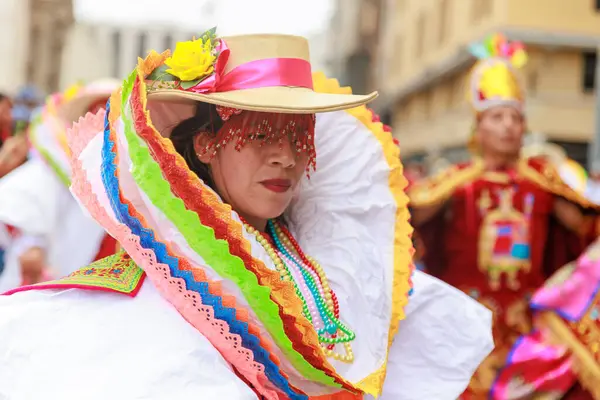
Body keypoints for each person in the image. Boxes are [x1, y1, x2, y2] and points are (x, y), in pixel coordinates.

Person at [0, 31, 492, 399]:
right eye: (259, 135)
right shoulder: (158, 283)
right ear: (206, 144)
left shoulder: (334, 262)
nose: (286, 157)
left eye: (298, 137)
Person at [408, 33, 599, 399]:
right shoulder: (456, 183)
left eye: (515, 117)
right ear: (477, 127)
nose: (508, 126)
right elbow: (408, 219)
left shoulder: (544, 183)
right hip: (462, 326)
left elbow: (584, 231)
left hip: (529, 331)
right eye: (497, 116)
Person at [0, 79, 119, 292]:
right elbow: (24, 195)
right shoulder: (61, 167)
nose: (103, 127)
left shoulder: (133, 174)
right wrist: (32, 240)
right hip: (60, 278)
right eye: (97, 116)